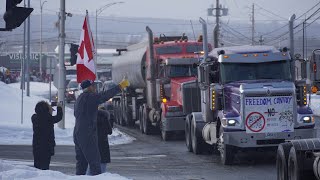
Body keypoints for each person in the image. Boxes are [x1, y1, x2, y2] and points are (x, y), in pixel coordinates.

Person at [74, 78, 129, 175]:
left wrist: (96, 112)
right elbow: (104, 96)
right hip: (87, 134)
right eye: (93, 86)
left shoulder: (80, 98)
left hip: (78, 132)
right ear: (89, 88)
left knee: (82, 163)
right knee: (95, 162)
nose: (95, 88)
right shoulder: (90, 97)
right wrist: (120, 87)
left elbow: (82, 113)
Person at [31, 101, 63, 170]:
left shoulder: (34, 118)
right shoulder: (48, 118)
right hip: (46, 148)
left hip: (36, 147)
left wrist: (48, 108)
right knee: (44, 168)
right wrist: (59, 107)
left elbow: (43, 114)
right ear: (46, 110)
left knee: (37, 167)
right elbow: (58, 117)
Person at [86, 106, 112, 175]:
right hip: (103, 144)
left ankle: (87, 177)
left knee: (91, 164)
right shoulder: (105, 118)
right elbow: (109, 131)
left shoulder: (91, 118)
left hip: (93, 143)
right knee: (103, 164)